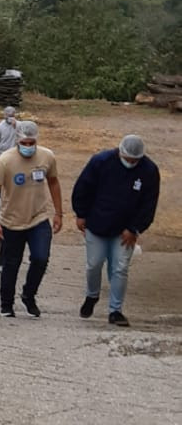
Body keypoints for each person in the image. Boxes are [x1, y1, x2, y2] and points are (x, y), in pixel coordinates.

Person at [72, 133, 160, 328]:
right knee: (94, 264)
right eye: (128, 159)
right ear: (120, 152)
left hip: (125, 231)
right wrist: (81, 214)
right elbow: (83, 188)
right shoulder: (101, 162)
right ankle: (92, 295)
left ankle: (115, 310)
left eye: (135, 160)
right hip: (97, 224)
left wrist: (135, 228)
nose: (131, 163)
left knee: (120, 269)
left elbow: (149, 204)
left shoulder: (149, 171)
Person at [0, 120, 63, 318]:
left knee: (41, 258)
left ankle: (29, 294)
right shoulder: (5, 160)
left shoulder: (47, 156)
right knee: (11, 263)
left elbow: (53, 182)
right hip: (11, 221)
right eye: (24, 143)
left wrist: (59, 213)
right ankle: (6, 304)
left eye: (31, 143)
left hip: (39, 217)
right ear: (17, 141)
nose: (28, 147)